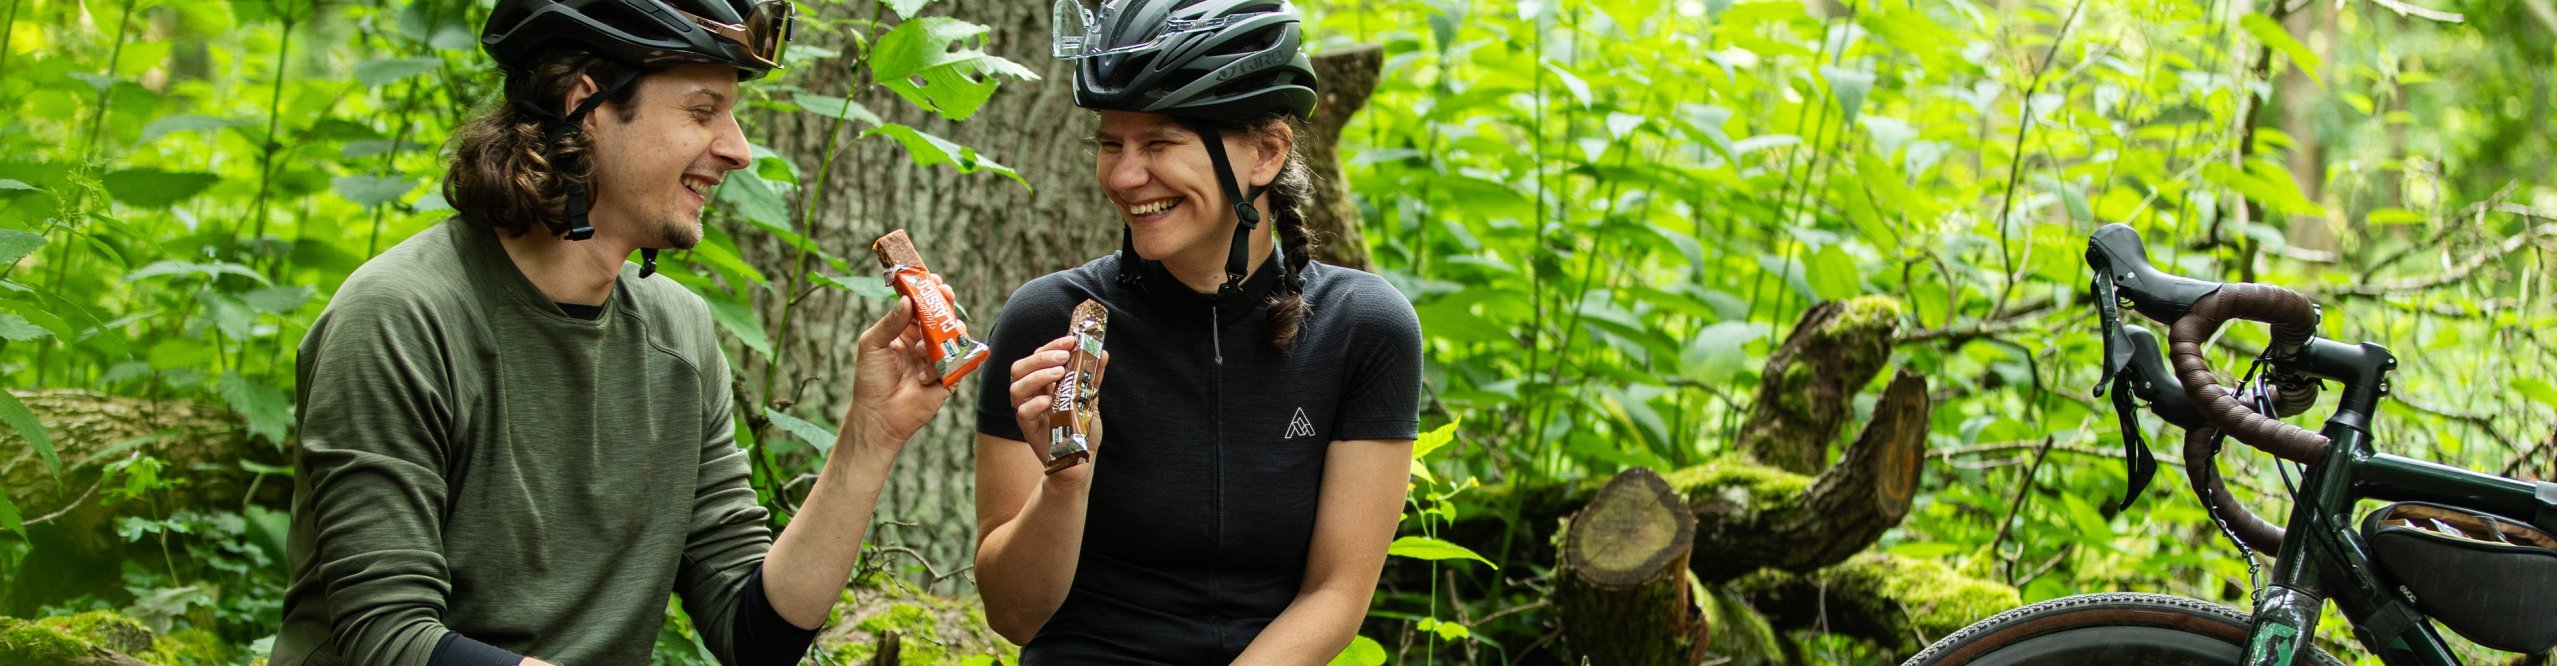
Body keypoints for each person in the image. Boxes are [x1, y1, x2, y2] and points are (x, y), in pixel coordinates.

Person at [270, 2, 961, 664]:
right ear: (584, 105)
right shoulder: (402, 314)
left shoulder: (679, 335)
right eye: (702, 111)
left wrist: (870, 437)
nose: (738, 150)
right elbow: (388, 639)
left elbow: (754, 636)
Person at [971, 0, 1424, 661]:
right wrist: (1064, 480)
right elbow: (1014, 615)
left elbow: (1335, 593)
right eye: (1109, 144)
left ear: (1266, 152)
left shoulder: (1363, 328)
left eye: (1159, 143)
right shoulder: (1048, 321)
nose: (1125, 177)